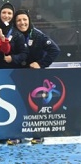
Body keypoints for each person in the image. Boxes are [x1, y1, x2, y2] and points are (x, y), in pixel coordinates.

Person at [12, 9, 61, 145]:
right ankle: (17, 135)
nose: (22, 23)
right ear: (15, 23)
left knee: (35, 105)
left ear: (29, 20)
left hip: (34, 76)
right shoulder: (14, 36)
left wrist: (41, 64)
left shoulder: (38, 35)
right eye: (19, 21)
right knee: (19, 104)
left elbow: (55, 50)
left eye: (24, 20)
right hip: (19, 75)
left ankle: (38, 134)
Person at [0, 3, 29, 70]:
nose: (6, 15)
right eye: (4, 12)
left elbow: (24, 54)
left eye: (9, 13)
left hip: (10, 70)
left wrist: (13, 58)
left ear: (13, 16)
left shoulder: (17, 33)